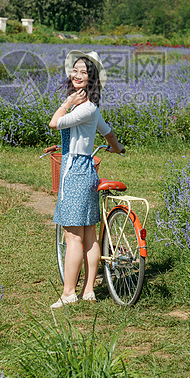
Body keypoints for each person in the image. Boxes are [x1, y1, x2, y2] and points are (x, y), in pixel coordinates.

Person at [49, 50, 125, 309]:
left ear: (91, 79)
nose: (77, 75)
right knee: (90, 233)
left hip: (76, 173)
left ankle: (69, 292)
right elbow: (109, 133)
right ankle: (89, 290)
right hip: (87, 169)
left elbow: (54, 123)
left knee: (73, 237)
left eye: (84, 72)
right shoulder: (93, 109)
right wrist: (118, 148)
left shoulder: (83, 109)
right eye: (76, 70)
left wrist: (67, 101)